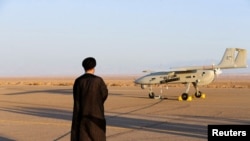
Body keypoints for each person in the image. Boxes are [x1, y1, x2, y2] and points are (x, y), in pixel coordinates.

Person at [71, 57, 108, 141]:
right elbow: (104, 94)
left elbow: (76, 98)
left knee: (83, 136)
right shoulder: (98, 80)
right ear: (94, 67)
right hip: (97, 114)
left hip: (81, 115)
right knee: (98, 136)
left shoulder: (78, 81)